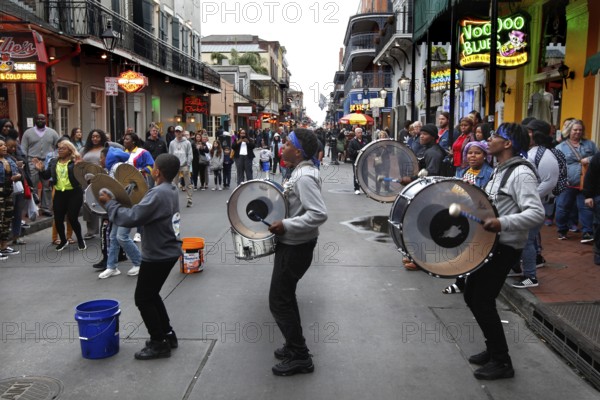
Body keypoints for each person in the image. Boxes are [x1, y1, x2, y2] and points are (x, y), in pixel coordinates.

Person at [465, 123, 544, 380]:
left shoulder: (521, 173)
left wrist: (502, 223)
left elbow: (536, 213)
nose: (489, 139)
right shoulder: (500, 169)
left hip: (505, 246)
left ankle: (502, 362)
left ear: (508, 143)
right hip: (490, 245)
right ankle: (493, 349)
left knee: (482, 300)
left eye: (495, 136)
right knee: (471, 294)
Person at [98, 153, 182, 360]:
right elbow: (143, 211)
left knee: (143, 298)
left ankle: (158, 343)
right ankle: (168, 335)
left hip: (158, 254)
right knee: (151, 295)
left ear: (157, 172)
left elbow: (132, 217)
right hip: (167, 251)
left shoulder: (158, 194)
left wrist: (110, 204)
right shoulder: (170, 190)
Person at [267, 128, 328, 376]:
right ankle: (293, 346)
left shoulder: (304, 176)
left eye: (287, 143)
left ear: (299, 151)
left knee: (278, 301)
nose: (282, 145)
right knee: (286, 296)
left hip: (296, 246)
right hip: (293, 244)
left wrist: (286, 224)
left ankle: (300, 355)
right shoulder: (300, 171)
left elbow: (318, 214)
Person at [511, 119, 559, 289]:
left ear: (535, 134)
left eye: (528, 131)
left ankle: (530, 276)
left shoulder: (545, 156)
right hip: (525, 204)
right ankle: (517, 267)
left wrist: (528, 198)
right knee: (519, 238)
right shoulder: (531, 152)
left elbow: (549, 182)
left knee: (527, 240)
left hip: (534, 205)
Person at [442, 141, 494, 294]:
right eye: (470, 153)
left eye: (477, 153)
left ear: (485, 156)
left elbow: (488, 198)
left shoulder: (490, 174)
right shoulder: (463, 172)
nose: (472, 156)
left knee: (475, 251)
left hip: (479, 217)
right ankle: (460, 282)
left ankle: (471, 283)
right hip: (463, 216)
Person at [96, 147, 143, 279]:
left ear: (108, 158)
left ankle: (139, 262)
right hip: (118, 208)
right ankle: (112, 267)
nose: (100, 160)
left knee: (121, 236)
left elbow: (126, 191)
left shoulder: (118, 170)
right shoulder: (112, 170)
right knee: (113, 237)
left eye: (101, 157)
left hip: (126, 208)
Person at [33, 140, 86, 251]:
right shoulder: (53, 162)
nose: (60, 150)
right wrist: (41, 169)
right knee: (58, 218)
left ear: (70, 150)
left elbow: (83, 177)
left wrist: (80, 167)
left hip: (74, 193)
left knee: (72, 218)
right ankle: (63, 240)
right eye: (59, 148)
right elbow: (47, 176)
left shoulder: (75, 161)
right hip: (59, 193)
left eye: (63, 148)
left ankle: (80, 240)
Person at [555, 119, 596, 242]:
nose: (578, 132)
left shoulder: (590, 145)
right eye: (575, 130)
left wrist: (589, 159)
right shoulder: (560, 147)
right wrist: (561, 179)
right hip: (568, 184)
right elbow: (556, 165)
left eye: (580, 130)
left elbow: (598, 158)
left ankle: (587, 233)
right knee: (563, 207)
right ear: (569, 131)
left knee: (586, 208)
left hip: (586, 183)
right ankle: (562, 230)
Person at [21, 114, 60, 216]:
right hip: (32, 161)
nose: (40, 120)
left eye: (42, 119)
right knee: (31, 185)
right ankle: (32, 209)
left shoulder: (52, 133)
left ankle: (46, 208)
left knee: (47, 186)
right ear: (35, 120)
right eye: (38, 118)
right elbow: (23, 149)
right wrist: (24, 161)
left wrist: (54, 156)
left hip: (47, 162)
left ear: (45, 120)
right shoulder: (28, 133)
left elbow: (59, 145)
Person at [0, 139, 22, 258]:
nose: (4, 147)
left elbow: (18, 173)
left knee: (7, 220)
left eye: (4, 145)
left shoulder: (9, 160)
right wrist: (11, 179)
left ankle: (3, 246)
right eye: (1, 145)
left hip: (8, 193)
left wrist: (18, 176)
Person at [168, 126, 193, 207]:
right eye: (176, 131)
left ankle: (189, 199)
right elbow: (170, 154)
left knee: (187, 183)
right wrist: (171, 165)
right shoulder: (172, 143)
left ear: (182, 132)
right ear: (175, 132)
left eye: (179, 131)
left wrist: (188, 164)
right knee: (174, 184)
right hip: (175, 165)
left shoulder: (187, 143)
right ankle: (173, 200)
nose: (178, 133)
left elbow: (190, 154)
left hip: (185, 165)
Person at [583, 151, 600, 265]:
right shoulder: (598, 157)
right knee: (599, 225)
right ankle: (598, 252)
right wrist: (588, 195)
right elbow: (590, 176)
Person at [347, 127, 367, 195]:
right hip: (356, 160)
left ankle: (365, 188)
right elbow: (350, 151)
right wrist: (358, 152)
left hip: (364, 160)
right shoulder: (352, 142)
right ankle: (357, 188)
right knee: (356, 174)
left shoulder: (365, 140)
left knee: (364, 174)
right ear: (355, 133)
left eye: (361, 132)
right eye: (359, 132)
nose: (360, 134)